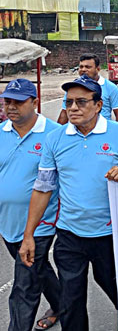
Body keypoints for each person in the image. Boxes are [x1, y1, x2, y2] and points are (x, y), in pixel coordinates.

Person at [19, 75, 118, 330]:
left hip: (110, 235)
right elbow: (43, 188)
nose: (73, 108)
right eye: (69, 102)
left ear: (98, 105)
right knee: (71, 303)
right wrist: (28, 234)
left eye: (81, 102)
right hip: (69, 235)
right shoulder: (55, 139)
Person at [0, 79, 61, 331]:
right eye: (7, 101)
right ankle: (63, 305)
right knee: (39, 269)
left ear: (35, 102)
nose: (11, 107)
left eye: (18, 101)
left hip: (40, 223)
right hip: (8, 221)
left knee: (24, 286)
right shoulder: (1, 132)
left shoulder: (55, 134)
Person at [58, 53, 118, 125]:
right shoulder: (73, 87)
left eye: (88, 67)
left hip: (102, 132)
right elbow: (64, 113)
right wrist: (58, 133)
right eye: (81, 67)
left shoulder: (110, 87)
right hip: (78, 132)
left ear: (98, 69)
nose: (83, 69)